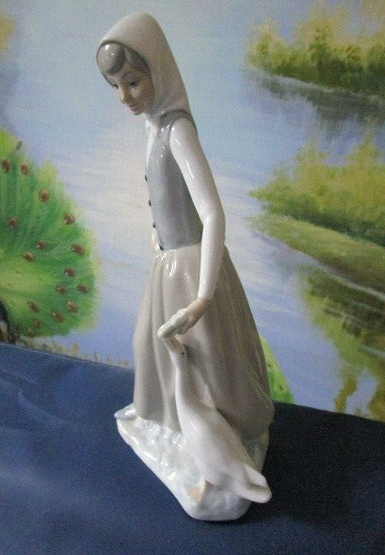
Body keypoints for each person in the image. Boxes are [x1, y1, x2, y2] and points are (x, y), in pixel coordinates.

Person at [96, 12, 274, 520]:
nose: (125, 96)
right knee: (149, 348)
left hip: (194, 271)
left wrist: (203, 295)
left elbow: (213, 213)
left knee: (210, 364)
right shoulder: (151, 127)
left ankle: (223, 452)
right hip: (167, 265)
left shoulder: (177, 130)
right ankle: (175, 429)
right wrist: (159, 239)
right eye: (115, 85)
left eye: (133, 81)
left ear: (158, 69)